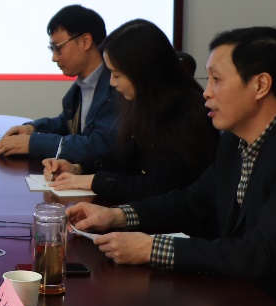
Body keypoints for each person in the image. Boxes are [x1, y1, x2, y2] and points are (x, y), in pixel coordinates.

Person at [67, 26, 276, 306]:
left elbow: (263, 252)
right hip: (247, 300)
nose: (207, 92)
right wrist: (117, 216)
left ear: (260, 85)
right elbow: (193, 202)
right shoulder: (236, 139)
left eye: (217, 80)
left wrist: (151, 248)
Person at [44, 19, 217, 203]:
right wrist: (79, 168)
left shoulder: (187, 113)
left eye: (117, 75)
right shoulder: (147, 103)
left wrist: (94, 181)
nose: (112, 82)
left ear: (143, 72)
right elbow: (127, 154)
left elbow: (158, 187)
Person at [0, 5, 119, 163]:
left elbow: (98, 146)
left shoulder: (116, 87)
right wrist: (33, 129)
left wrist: (35, 143)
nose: (54, 58)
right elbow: (67, 124)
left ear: (85, 41)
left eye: (58, 48)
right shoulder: (80, 88)